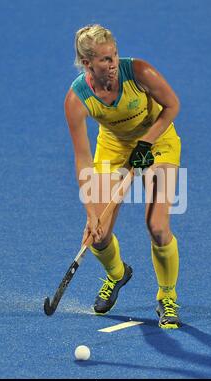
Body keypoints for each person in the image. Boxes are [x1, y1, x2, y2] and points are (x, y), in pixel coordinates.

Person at [64, 24, 182, 329]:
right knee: (97, 236)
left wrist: (146, 143)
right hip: (114, 146)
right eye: (104, 59)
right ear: (87, 63)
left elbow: (172, 105)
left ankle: (166, 296)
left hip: (159, 140)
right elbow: (82, 158)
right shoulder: (77, 99)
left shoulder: (139, 72)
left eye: (114, 54)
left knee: (157, 226)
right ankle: (117, 273)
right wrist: (92, 212)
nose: (113, 63)